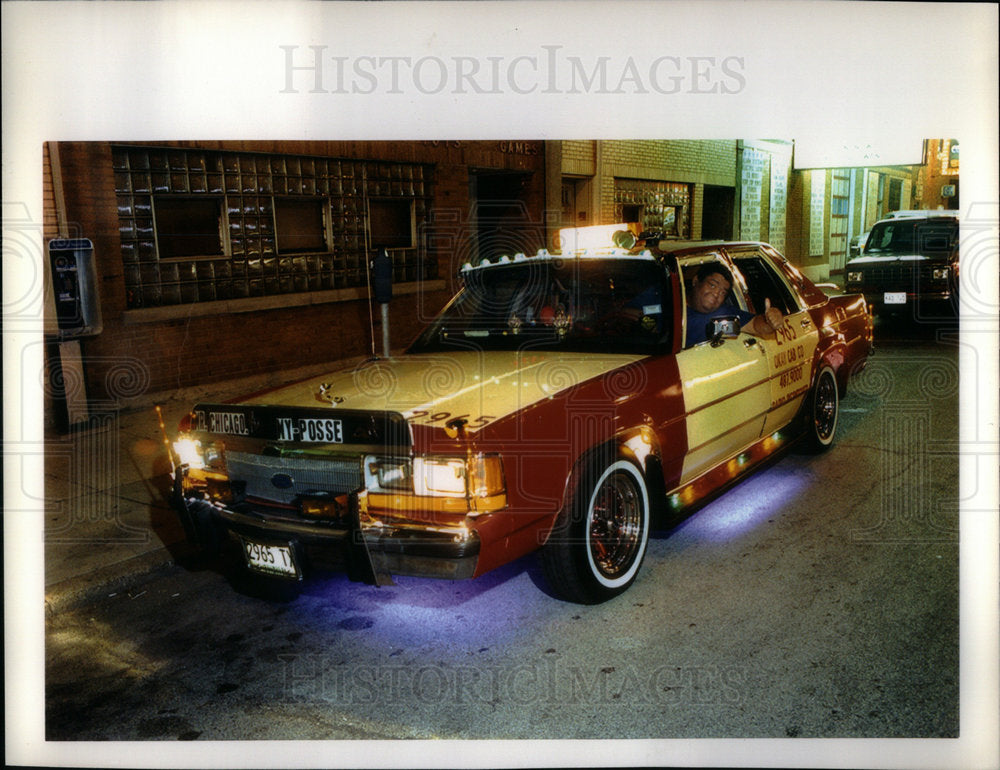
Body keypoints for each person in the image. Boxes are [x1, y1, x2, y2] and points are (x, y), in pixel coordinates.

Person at [685, 262, 784, 346]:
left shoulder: (723, 314)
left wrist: (769, 321)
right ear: (696, 281)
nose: (716, 294)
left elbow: (755, 326)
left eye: (722, 292)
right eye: (712, 285)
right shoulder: (672, 309)